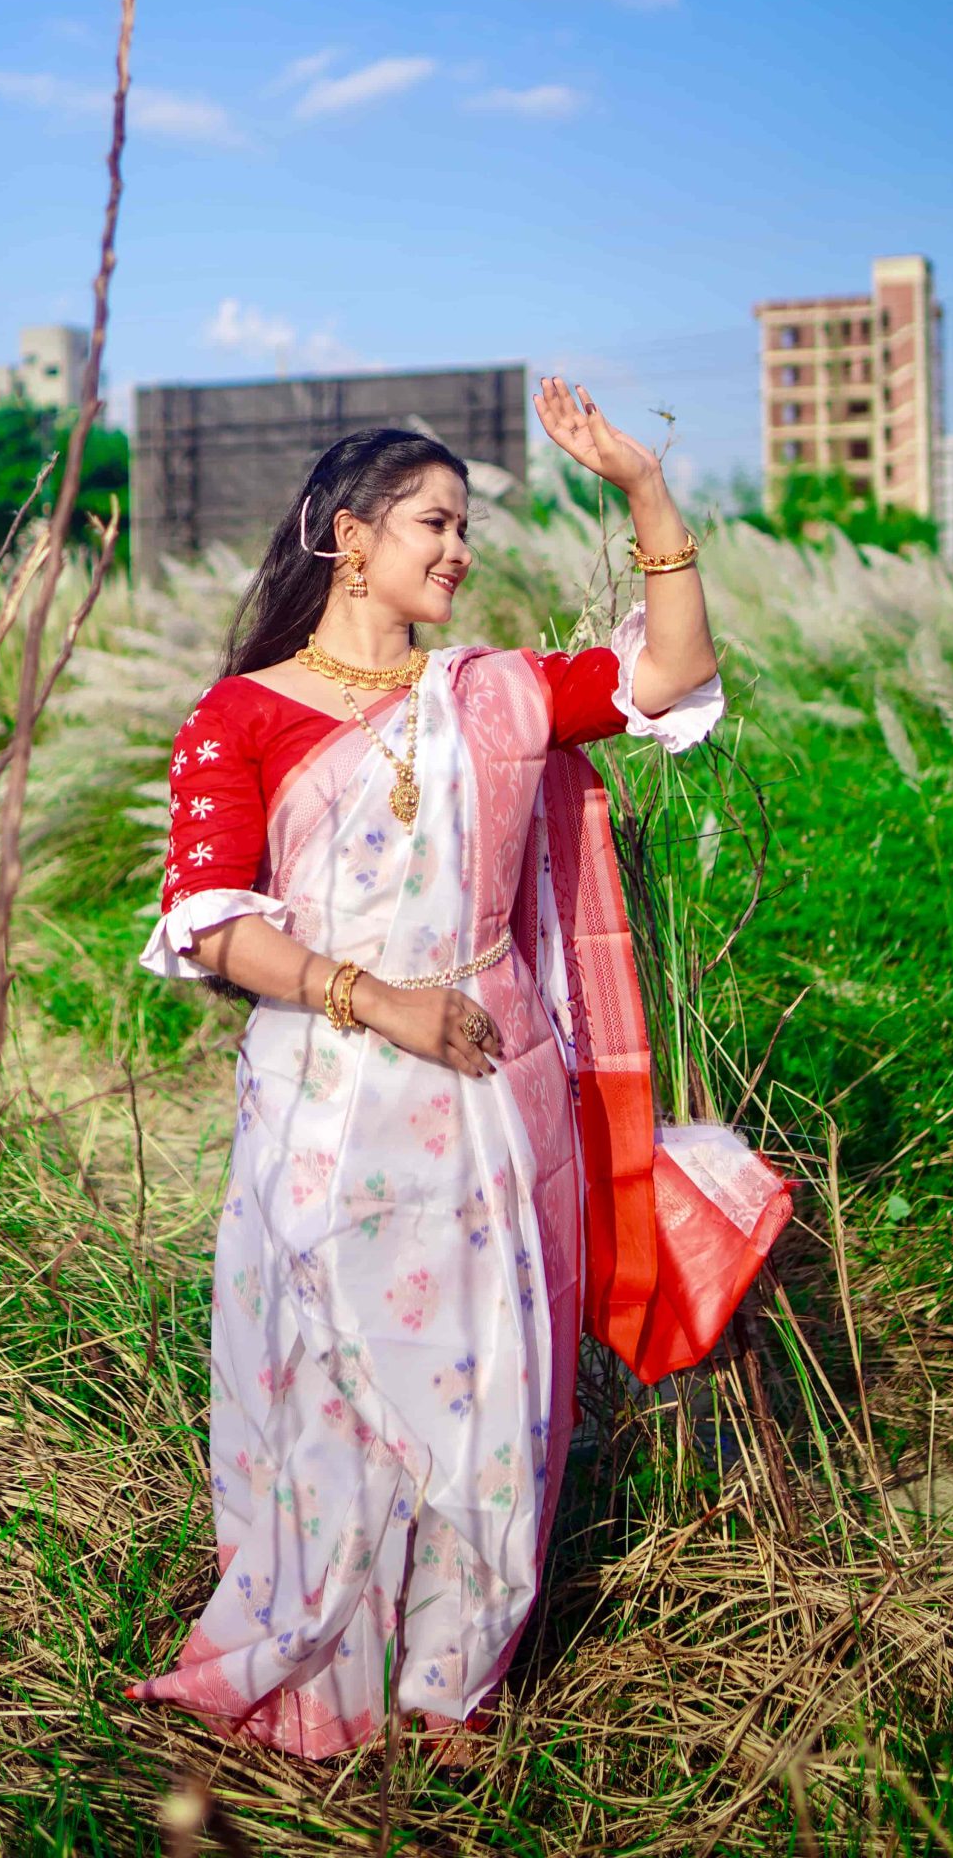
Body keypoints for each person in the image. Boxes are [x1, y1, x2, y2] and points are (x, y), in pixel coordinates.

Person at [128, 380, 792, 1759]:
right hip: (328, 1094)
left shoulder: (489, 696)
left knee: (492, 1381)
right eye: (434, 523)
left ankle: (450, 1687)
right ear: (347, 537)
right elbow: (210, 924)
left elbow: (665, 676)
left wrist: (645, 490)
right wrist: (377, 1000)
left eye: (465, 527)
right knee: (332, 1368)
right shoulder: (242, 716)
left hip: (495, 1086)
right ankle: (324, 1664)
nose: (459, 550)